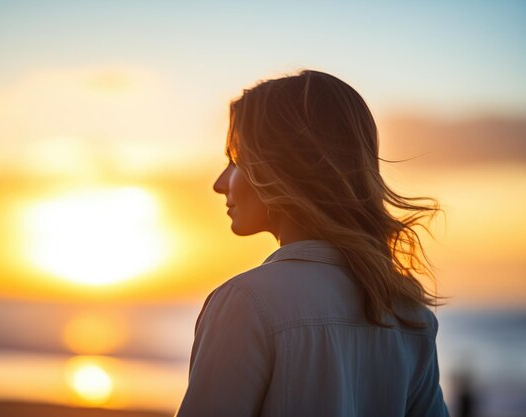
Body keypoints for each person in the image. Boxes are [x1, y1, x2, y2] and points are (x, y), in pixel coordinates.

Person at [175, 70, 449, 416]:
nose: (219, 183)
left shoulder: (246, 302)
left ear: (280, 168)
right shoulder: (407, 313)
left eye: (236, 160)